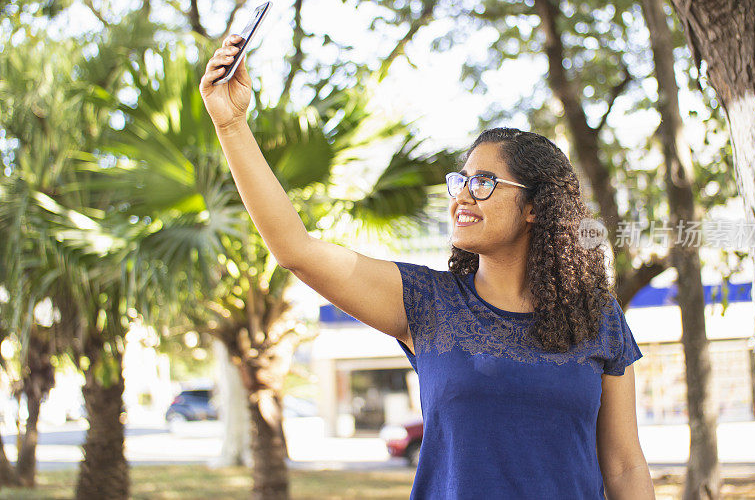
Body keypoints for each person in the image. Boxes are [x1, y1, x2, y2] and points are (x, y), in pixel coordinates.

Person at [200, 35, 655, 499]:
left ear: (536, 206)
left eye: (482, 183)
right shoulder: (425, 301)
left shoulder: (597, 318)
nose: (460, 195)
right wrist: (232, 123)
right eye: (460, 180)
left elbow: (623, 466)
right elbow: (296, 249)